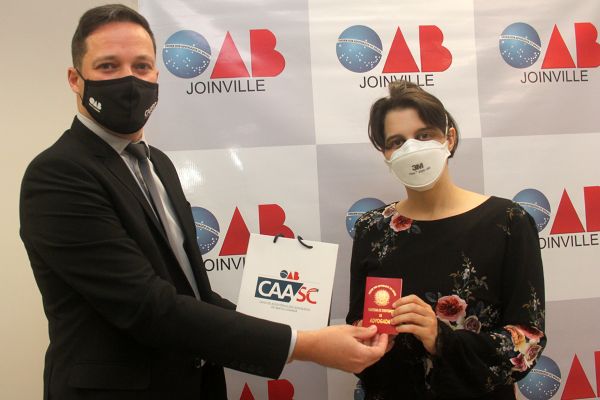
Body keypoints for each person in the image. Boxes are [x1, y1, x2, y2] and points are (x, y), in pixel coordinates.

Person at [19, 4, 388, 400]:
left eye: (141, 66)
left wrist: (300, 332)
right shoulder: (59, 174)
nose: (129, 80)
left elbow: (193, 296)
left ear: (157, 75)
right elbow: (147, 306)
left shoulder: (157, 164)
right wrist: (304, 345)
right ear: (75, 79)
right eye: (108, 66)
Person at [346, 81, 546, 399]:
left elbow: (528, 341)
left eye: (424, 135)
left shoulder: (508, 221)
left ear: (449, 138)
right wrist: (369, 340)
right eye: (397, 141)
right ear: (386, 155)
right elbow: (359, 329)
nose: (411, 148)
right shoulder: (372, 229)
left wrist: (442, 339)